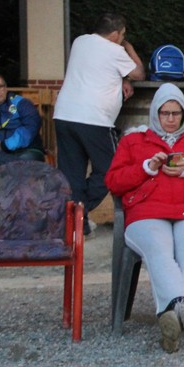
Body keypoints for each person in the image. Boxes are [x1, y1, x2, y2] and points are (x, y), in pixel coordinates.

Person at [105, 84, 184, 353]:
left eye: (176, 113)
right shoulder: (133, 141)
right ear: (155, 113)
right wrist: (146, 168)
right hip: (147, 211)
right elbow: (113, 182)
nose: (171, 119)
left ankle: (171, 321)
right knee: (158, 249)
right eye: (165, 113)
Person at [54, 13, 146, 234]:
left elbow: (98, 68)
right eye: (122, 35)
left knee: (71, 173)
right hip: (94, 119)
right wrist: (129, 47)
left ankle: (76, 225)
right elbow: (139, 73)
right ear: (115, 35)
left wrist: (121, 79)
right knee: (112, 169)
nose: (123, 38)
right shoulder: (115, 51)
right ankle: (80, 211)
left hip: (64, 115)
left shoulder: (80, 41)